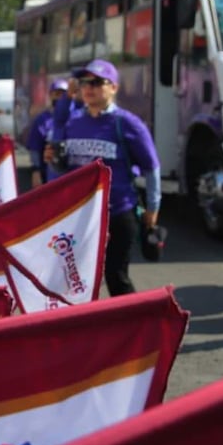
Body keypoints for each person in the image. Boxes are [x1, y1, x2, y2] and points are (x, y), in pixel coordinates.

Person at [45, 59, 161, 296]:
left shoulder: (127, 123)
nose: (89, 87)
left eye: (97, 82)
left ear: (113, 87)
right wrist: (53, 159)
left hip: (118, 212)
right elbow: (64, 167)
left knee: (116, 276)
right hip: (81, 216)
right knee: (77, 279)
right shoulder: (73, 122)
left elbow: (151, 167)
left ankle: (137, 318)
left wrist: (153, 207)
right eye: (84, 82)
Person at [26, 78, 68, 188]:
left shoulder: (75, 117)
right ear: (50, 95)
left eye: (63, 94)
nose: (60, 98)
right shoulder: (42, 120)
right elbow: (35, 148)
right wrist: (36, 171)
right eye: (57, 94)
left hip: (70, 172)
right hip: (47, 173)